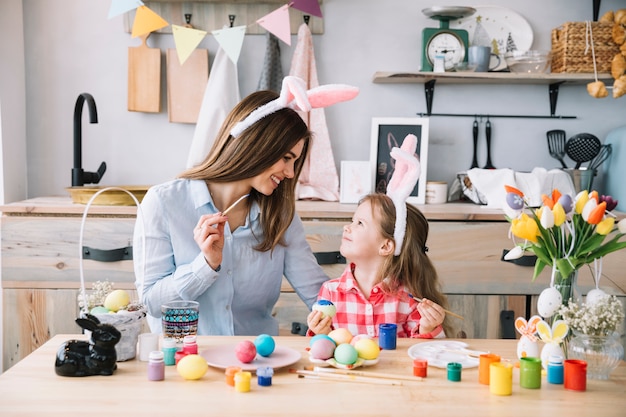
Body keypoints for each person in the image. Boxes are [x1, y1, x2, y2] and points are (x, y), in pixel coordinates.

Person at [133, 76, 359, 336]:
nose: (289, 173)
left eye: (294, 162)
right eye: (286, 158)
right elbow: (151, 303)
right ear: (256, 145)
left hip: (257, 362)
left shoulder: (280, 215)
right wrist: (206, 265)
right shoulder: (163, 203)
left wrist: (378, 300)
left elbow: (318, 293)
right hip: (187, 364)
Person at [307, 135, 453, 338]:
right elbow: (321, 350)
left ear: (385, 246)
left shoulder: (407, 297)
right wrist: (319, 332)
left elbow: (424, 354)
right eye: (352, 220)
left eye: (360, 223)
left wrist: (429, 328)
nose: (346, 228)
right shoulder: (330, 292)